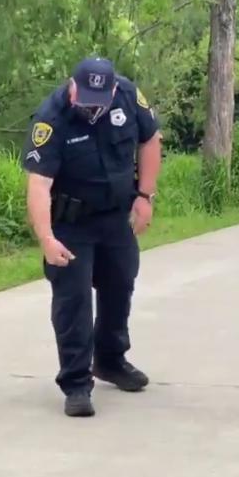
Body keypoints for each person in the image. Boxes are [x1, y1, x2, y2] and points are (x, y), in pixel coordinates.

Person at [20, 56, 163, 417]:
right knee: (74, 302)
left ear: (112, 90)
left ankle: (111, 361)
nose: (87, 106)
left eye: (95, 101)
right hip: (71, 223)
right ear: (72, 86)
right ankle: (76, 383)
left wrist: (145, 196)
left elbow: (150, 139)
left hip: (115, 215)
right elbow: (39, 185)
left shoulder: (128, 96)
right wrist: (47, 239)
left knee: (120, 285)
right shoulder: (51, 118)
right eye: (82, 97)